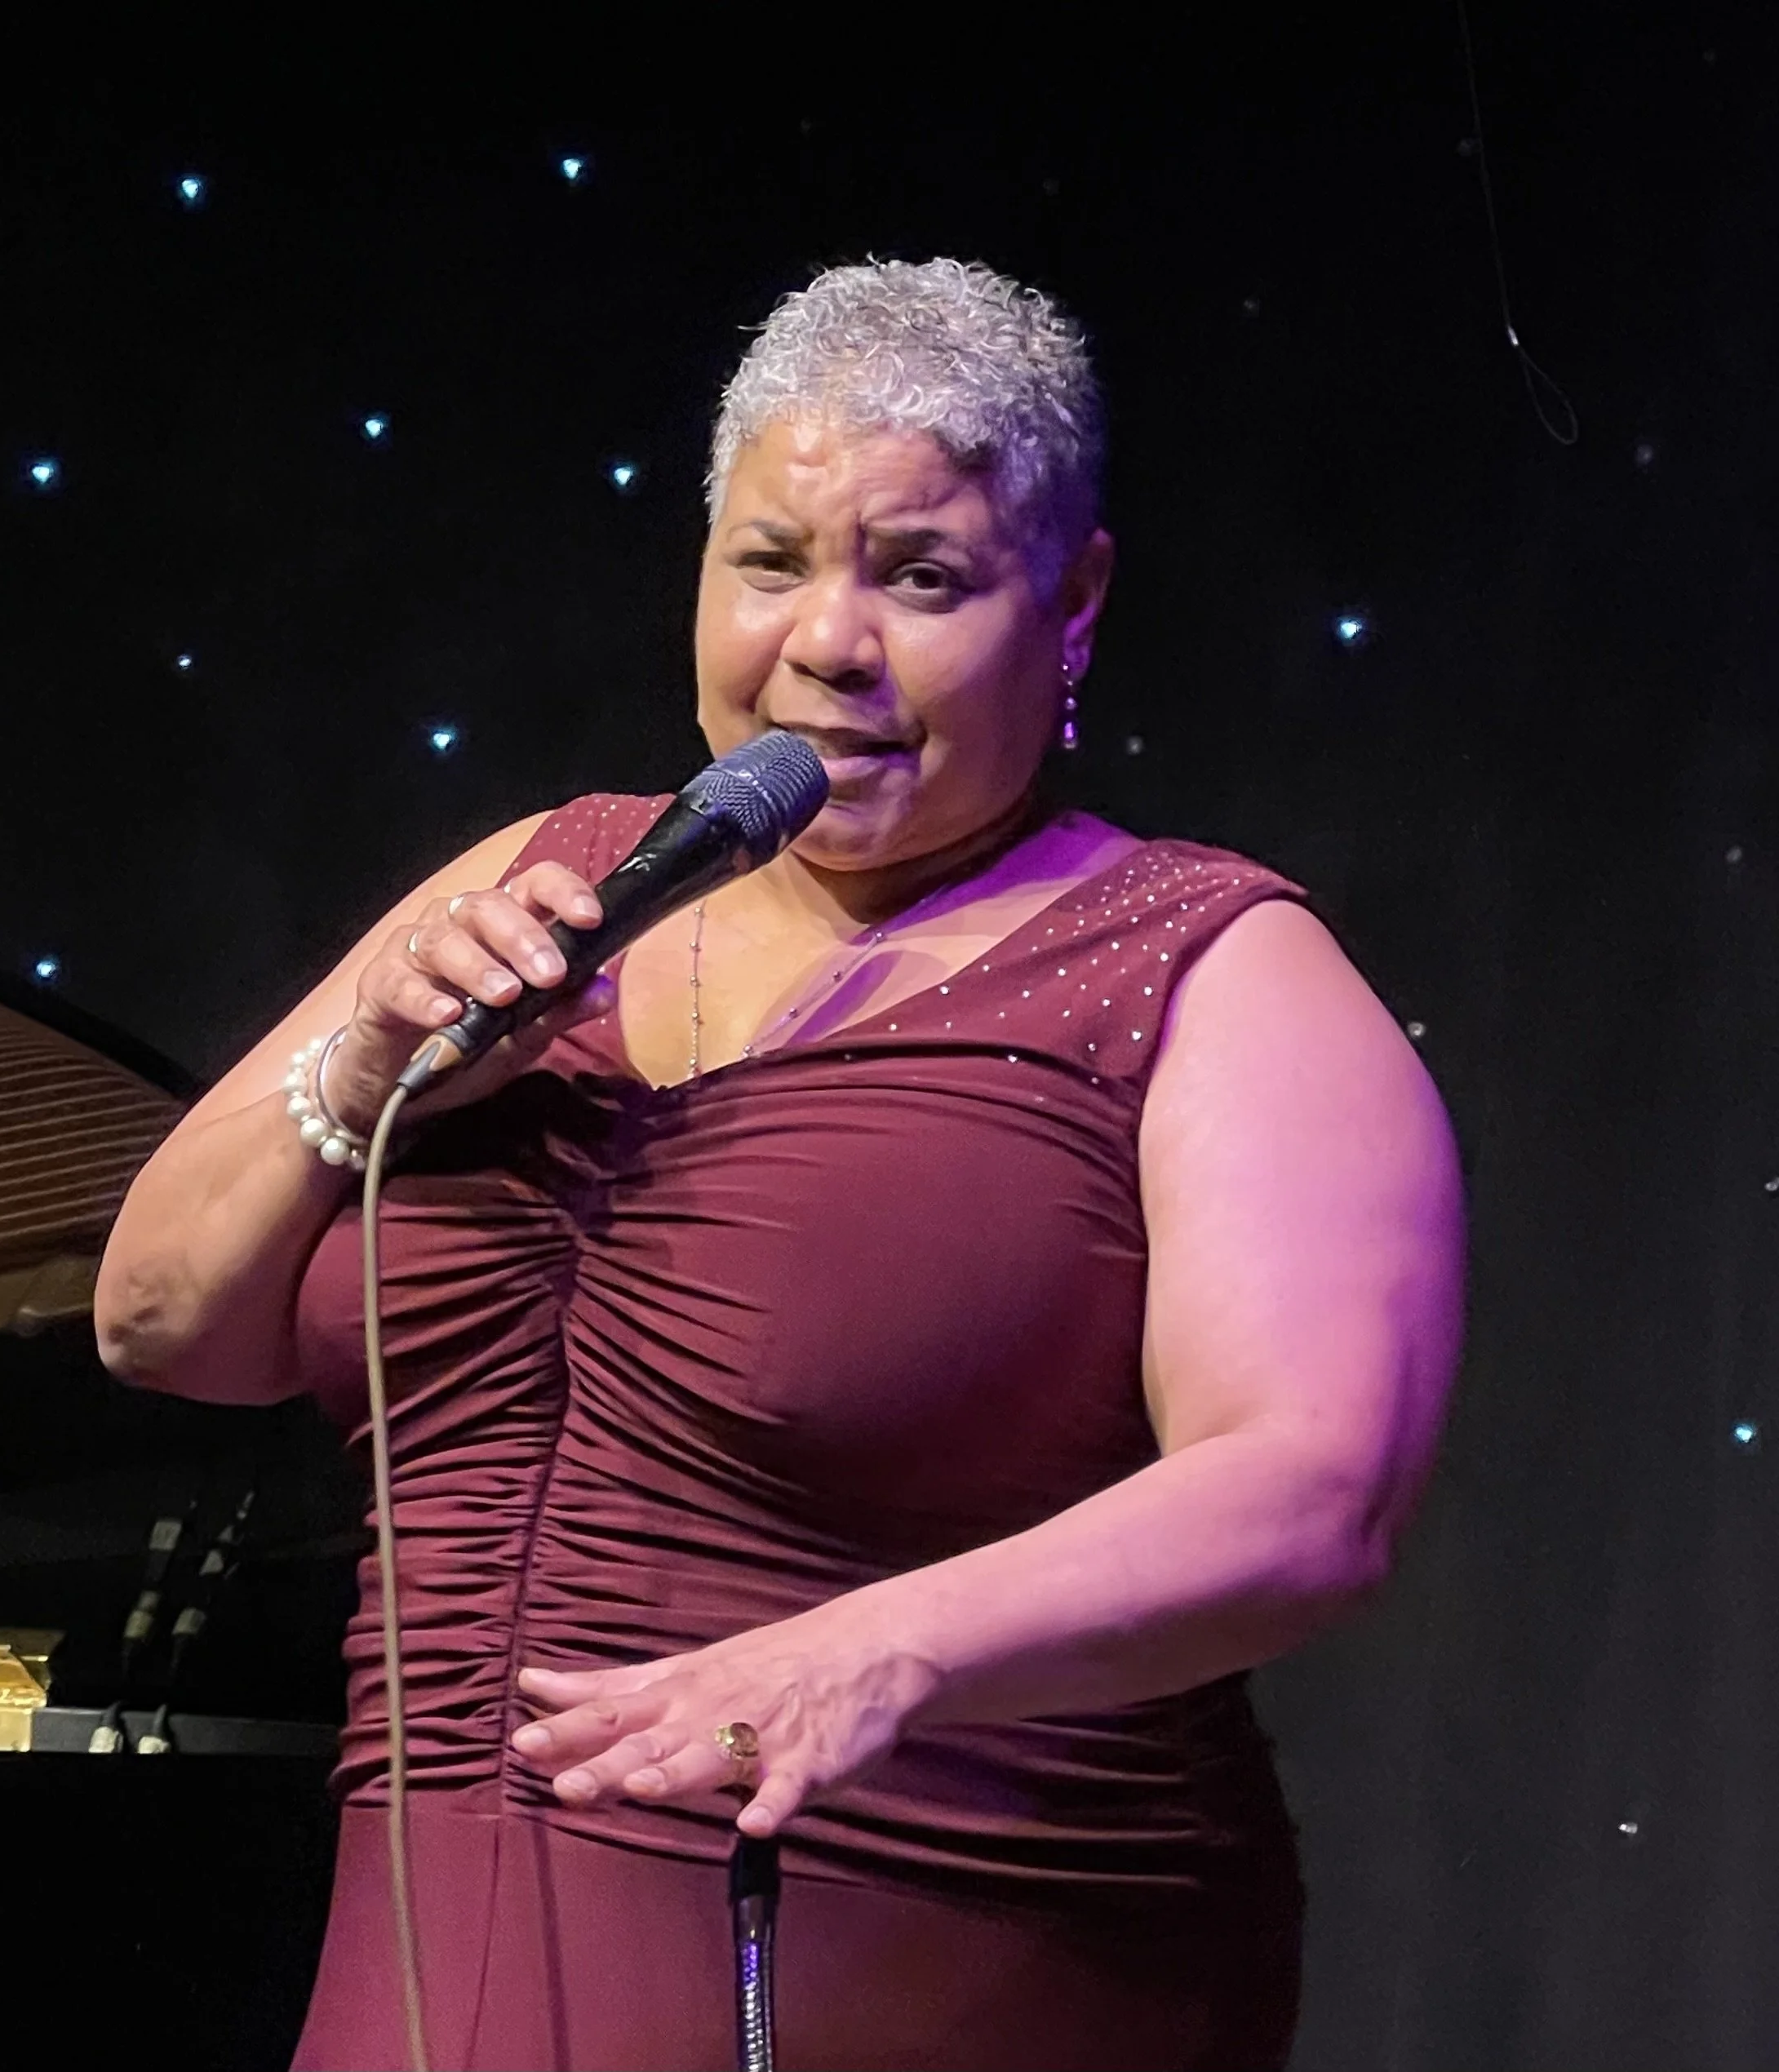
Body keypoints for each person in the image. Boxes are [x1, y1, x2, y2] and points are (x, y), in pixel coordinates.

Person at [96, 257, 1464, 2072]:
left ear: (1072, 601)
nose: (826, 641)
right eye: (768, 562)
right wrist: (367, 1076)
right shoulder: (544, 885)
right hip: (427, 1988)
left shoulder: (1200, 969)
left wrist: (877, 1651)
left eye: (917, 575)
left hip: (932, 1966)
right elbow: (162, 1325)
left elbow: (1310, 1498)